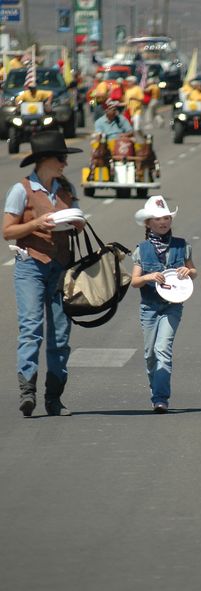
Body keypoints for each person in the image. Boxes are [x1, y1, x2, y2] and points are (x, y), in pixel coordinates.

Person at [2, 130, 84, 417]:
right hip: (30, 266)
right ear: (44, 160)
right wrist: (37, 222)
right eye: (60, 158)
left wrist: (75, 222)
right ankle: (28, 392)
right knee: (31, 329)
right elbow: (8, 231)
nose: (64, 162)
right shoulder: (21, 190)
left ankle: (54, 399)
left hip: (61, 267)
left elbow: (78, 220)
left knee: (60, 335)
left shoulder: (66, 187)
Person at [131, 196, 197, 413]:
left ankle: (161, 399)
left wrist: (189, 272)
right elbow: (134, 281)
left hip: (172, 306)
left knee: (163, 349)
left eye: (167, 217)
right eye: (158, 218)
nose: (163, 222)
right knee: (150, 354)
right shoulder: (142, 249)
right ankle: (155, 389)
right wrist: (149, 278)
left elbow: (193, 271)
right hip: (149, 308)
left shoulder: (181, 245)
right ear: (148, 223)